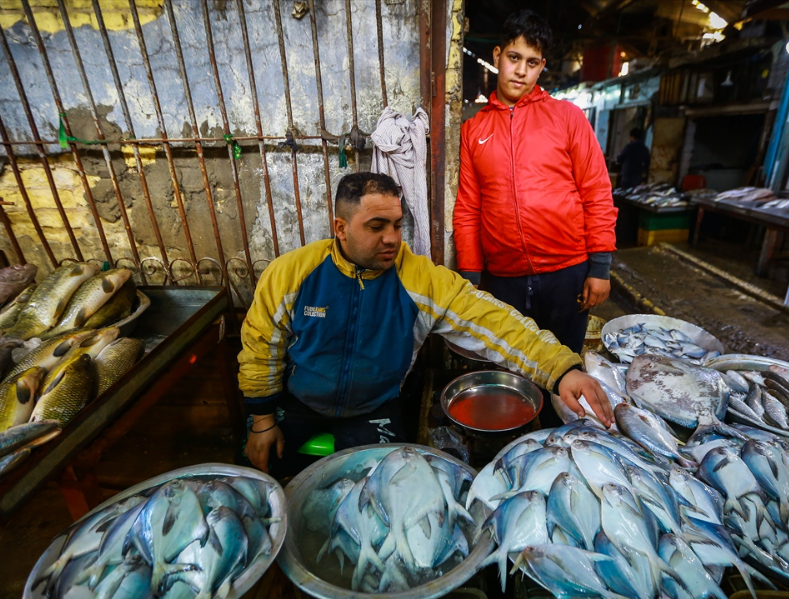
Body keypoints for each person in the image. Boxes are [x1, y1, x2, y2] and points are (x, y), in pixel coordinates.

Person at [238, 172, 613, 478]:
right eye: (377, 226)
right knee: (265, 471)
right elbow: (260, 347)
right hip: (299, 404)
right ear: (340, 227)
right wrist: (262, 418)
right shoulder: (291, 273)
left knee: (385, 490)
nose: (392, 238)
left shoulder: (420, 279)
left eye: (398, 225)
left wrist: (561, 370)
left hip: (375, 409)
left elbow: (493, 321)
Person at [452, 10, 618, 360]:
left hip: (567, 273)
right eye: (514, 58)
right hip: (502, 278)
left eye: (532, 62)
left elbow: (597, 193)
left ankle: (562, 419)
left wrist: (600, 268)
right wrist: (470, 274)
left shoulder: (567, 118)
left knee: (563, 367)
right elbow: (468, 207)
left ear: (542, 66)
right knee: (510, 368)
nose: (522, 70)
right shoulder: (473, 130)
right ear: (498, 56)